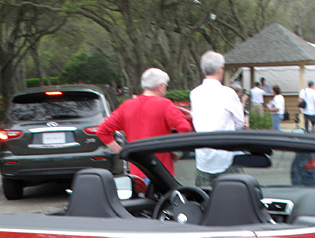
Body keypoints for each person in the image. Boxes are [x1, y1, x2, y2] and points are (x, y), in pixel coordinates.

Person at [96, 67, 192, 188]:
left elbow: (102, 131)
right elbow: (185, 128)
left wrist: (124, 153)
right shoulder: (165, 104)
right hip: (162, 172)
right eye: (166, 86)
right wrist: (177, 152)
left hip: (137, 172)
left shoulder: (127, 106)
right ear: (160, 86)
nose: (165, 90)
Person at [190, 50, 247, 187]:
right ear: (220, 69)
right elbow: (240, 122)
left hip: (204, 158)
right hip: (226, 157)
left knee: (206, 201)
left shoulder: (195, 93)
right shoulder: (228, 93)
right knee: (237, 197)